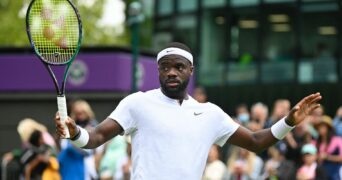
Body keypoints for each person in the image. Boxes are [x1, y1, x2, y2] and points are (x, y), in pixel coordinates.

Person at [55, 42, 322, 179]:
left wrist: (288, 121)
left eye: (179, 67)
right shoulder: (137, 103)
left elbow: (255, 142)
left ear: (190, 71)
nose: (172, 72)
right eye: (165, 67)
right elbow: (96, 138)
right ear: (158, 70)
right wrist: (75, 131)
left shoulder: (210, 114)